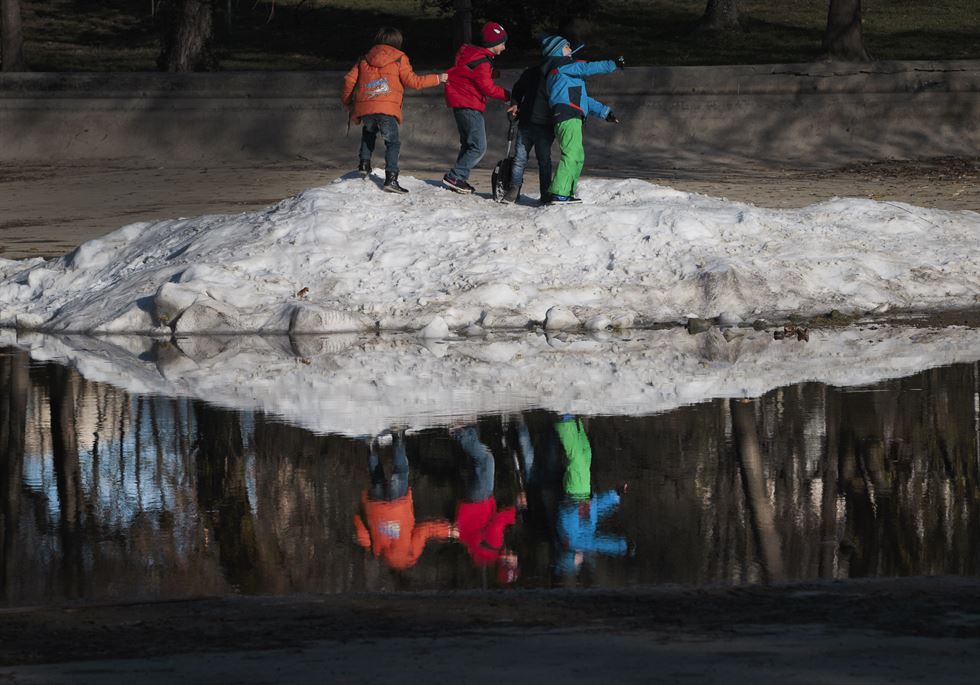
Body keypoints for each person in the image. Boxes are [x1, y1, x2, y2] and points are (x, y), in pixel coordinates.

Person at [341, 27, 448, 194]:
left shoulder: (364, 58)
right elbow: (413, 82)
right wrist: (437, 78)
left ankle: (363, 163)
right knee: (393, 142)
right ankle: (391, 179)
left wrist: (347, 101)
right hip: (386, 108)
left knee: (368, 132)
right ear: (398, 42)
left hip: (366, 107)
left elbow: (349, 80)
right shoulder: (399, 58)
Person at [353, 430, 457, 570]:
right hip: (376, 507)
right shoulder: (377, 553)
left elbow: (425, 531)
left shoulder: (410, 556)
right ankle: (371, 446)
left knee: (400, 472)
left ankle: (398, 436)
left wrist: (449, 531)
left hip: (398, 505)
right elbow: (362, 533)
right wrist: (359, 514)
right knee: (377, 479)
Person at [541, 35, 624, 204]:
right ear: (557, 52)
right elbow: (586, 68)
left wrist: (605, 112)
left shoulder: (564, 77)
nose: (570, 49)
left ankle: (566, 192)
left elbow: (583, 100)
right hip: (567, 115)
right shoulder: (562, 67)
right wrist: (612, 64)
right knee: (571, 154)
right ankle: (559, 193)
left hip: (571, 116)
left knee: (577, 155)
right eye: (566, 47)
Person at [442, 21, 517, 194]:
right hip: (468, 104)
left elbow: (471, 76)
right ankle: (455, 176)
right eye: (502, 43)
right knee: (478, 146)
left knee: (468, 144)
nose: (504, 47)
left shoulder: (473, 55)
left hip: (461, 102)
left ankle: (459, 179)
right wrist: (509, 95)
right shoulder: (482, 62)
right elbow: (487, 87)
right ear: (492, 45)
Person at [552, 416, 631, 577]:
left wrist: (622, 546)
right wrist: (614, 495)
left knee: (577, 460)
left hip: (575, 493)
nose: (580, 562)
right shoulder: (582, 538)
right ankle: (576, 422)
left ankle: (565, 421)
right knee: (585, 454)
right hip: (582, 494)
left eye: (576, 564)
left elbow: (602, 544)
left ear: (572, 559)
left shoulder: (574, 542)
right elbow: (594, 508)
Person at [451, 426, 521, 584]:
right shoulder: (486, 554)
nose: (515, 557)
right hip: (471, 505)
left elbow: (498, 523)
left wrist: (514, 513)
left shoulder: (495, 546)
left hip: (479, 502)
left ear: (506, 563)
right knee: (476, 464)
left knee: (486, 460)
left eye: (513, 562)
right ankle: (471, 429)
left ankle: (460, 434)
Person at [501, 49, 555, 204]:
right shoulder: (531, 73)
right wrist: (515, 104)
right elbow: (517, 90)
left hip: (546, 127)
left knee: (544, 160)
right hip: (526, 124)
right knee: (519, 159)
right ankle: (514, 188)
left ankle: (545, 193)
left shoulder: (557, 76)